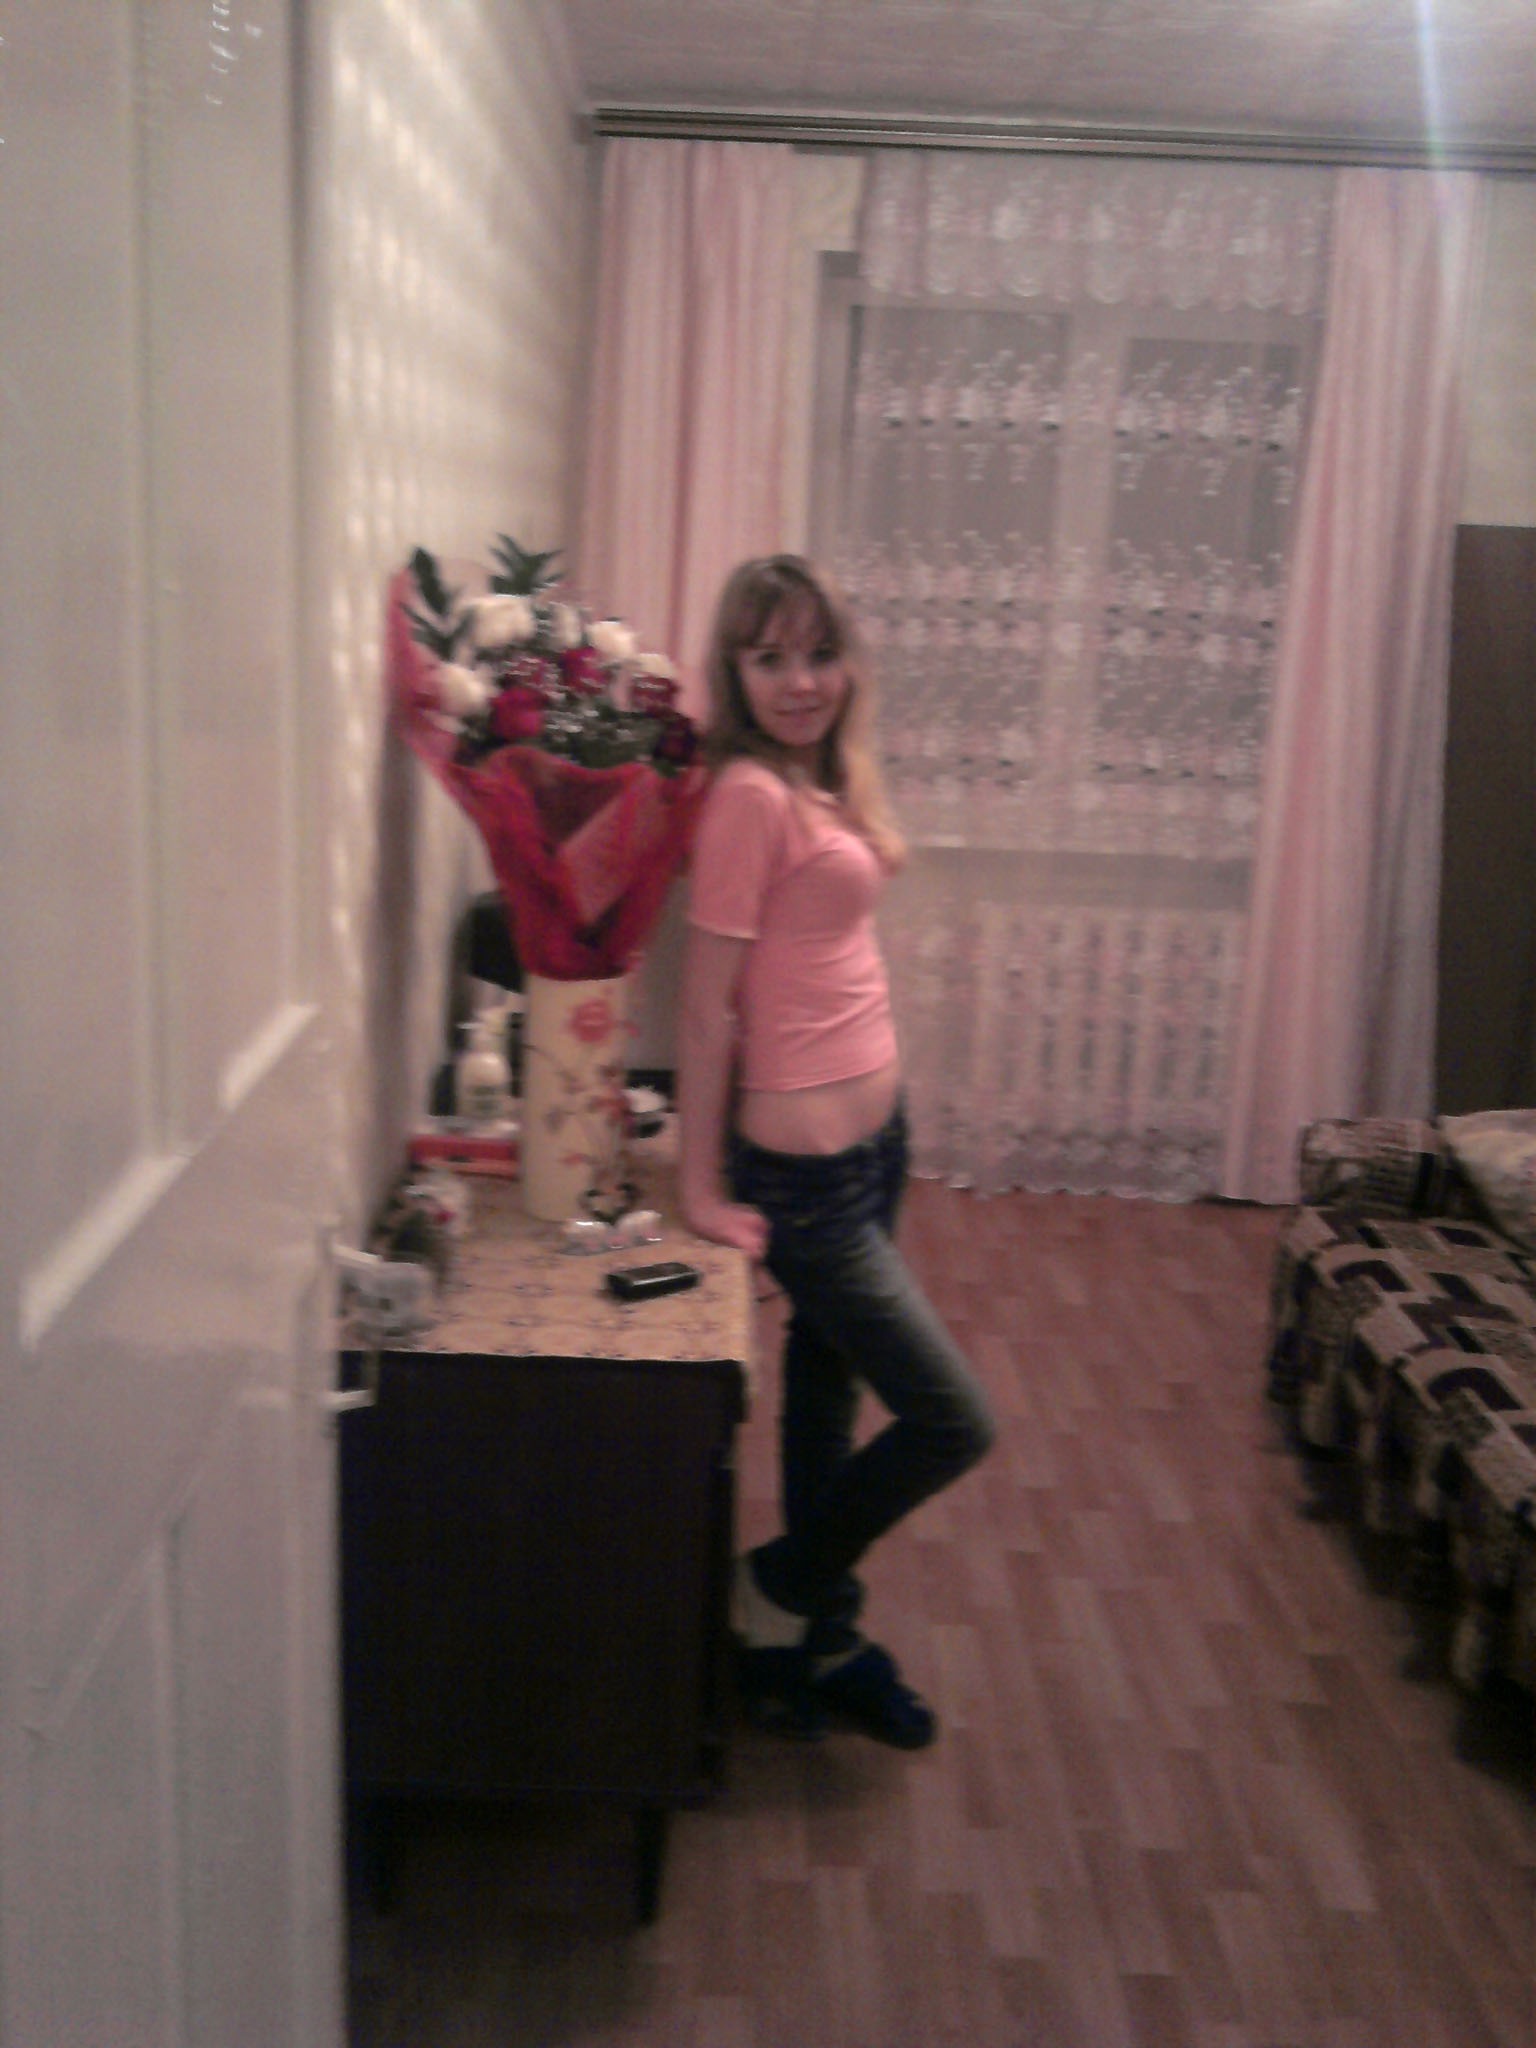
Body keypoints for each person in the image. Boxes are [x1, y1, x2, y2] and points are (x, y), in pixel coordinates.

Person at [678, 555, 996, 1748]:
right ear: (736, 669)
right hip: (804, 1174)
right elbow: (705, 1007)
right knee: (953, 1420)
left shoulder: (822, 775)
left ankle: (811, 1641)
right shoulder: (749, 795)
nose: (800, 680)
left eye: (819, 652)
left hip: (875, 1142)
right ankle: (773, 1585)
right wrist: (700, 1187)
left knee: (827, 1392)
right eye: (770, 657)